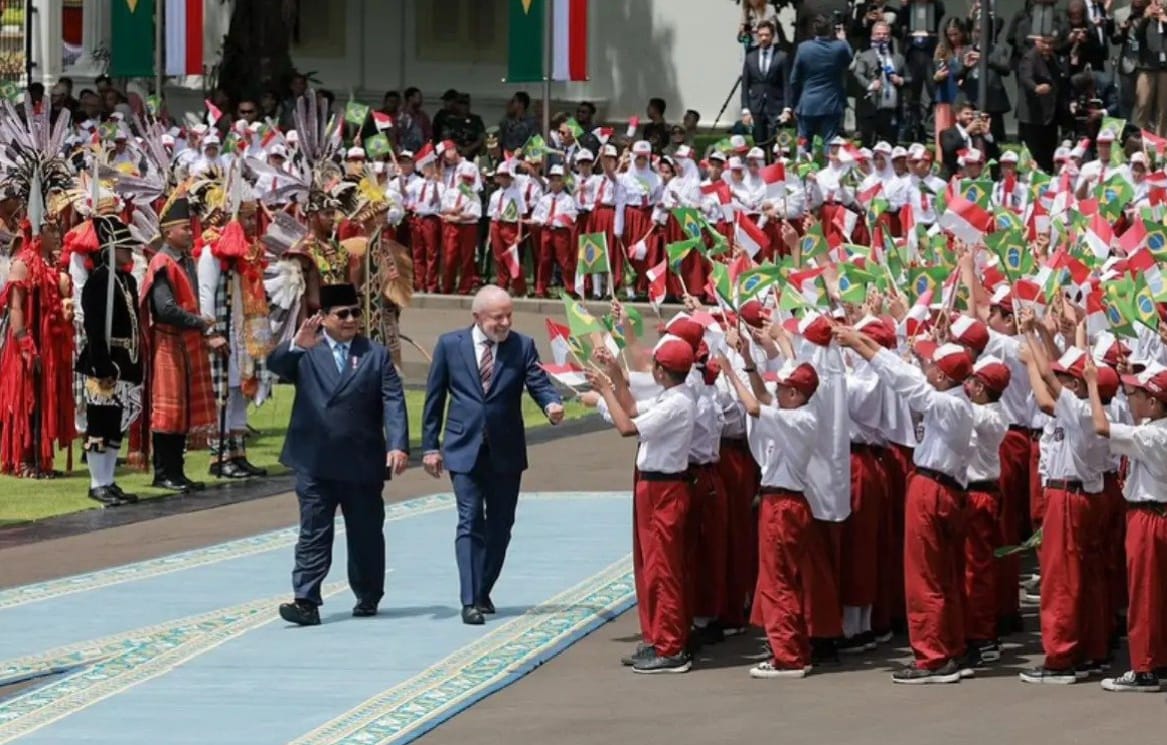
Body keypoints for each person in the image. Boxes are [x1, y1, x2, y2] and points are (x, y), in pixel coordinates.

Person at [836, 328, 974, 684]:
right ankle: (950, 648)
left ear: (942, 376)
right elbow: (905, 372)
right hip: (941, 487)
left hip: (932, 488)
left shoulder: (948, 404)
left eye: (932, 363)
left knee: (924, 577)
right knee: (943, 575)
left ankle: (931, 657)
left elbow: (904, 379)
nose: (926, 365)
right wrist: (862, 342)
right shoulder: (953, 400)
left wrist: (864, 348)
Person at [420, 286, 565, 625]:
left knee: (500, 526)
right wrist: (430, 447)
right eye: (498, 317)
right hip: (463, 447)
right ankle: (470, 599)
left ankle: (483, 587)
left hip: (506, 450)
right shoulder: (450, 345)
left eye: (509, 316)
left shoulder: (522, 345)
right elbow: (434, 398)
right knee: (469, 520)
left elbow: (538, 382)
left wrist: (551, 404)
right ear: (477, 317)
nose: (505, 323)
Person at [267, 283, 409, 626]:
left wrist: (397, 444)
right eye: (342, 314)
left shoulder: (374, 354)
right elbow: (276, 365)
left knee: (365, 533)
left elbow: (393, 398)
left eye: (355, 313)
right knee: (314, 531)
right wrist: (295, 346)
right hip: (315, 460)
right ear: (324, 317)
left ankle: (368, 594)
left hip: (362, 460)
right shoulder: (308, 350)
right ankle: (305, 601)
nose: (350, 320)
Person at [588, 336, 697, 674]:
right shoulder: (672, 396)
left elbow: (626, 426)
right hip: (656, 486)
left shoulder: (676, 403)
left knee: (664, 569)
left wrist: (605, 391)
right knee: (652, 566)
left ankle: (671, 647)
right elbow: (634, 408)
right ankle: (660, 637)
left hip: (665, 488)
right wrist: (615, 373)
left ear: (661, 371)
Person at [1085, 358, 1167, 693]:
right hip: (1157, 513)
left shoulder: (1151, 435)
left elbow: (1101, 426)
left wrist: (1092, 385)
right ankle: (1159, 659)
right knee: (1158, 593)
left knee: (1144, 594)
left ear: (1154, 403)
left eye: (1135, 395)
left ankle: (1144, 667)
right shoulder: (1154, 430)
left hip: (1148, 516)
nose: (1129, 399)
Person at [139, 195, 220, 492]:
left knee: (181, 409)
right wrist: (199, 322)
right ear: (168, 231)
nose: (190, 232)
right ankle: (164, 472)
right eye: (185, 228)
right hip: (169, 343)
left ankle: (176, 470)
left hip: (184, 343)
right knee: (169, 410)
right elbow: (165, 309)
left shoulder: (184, 260)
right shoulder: (162, 263)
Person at [76, 216, 144, 507]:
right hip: (103, 359)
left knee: (117, 424)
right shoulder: (98, 281)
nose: (130, 252)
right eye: (125, 248)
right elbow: (93, 327)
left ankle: (109, 479)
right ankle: (97, 482)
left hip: (126, 358)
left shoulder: (128, 280)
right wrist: (102, 365)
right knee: (99, 423)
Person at [789, 14, 854, 146]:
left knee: (803, 143)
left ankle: (804, 159)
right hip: (831, 102)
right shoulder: (839, 47)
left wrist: (795, 103)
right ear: (830, 30)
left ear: (814, 30)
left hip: (808, 102)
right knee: (829, 142)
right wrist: (843, 40)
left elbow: (794, 79)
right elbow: (849, 59)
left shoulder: (803, 48)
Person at [853, 21, 909, 147]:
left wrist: (900, 80)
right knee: (868, 146)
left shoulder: (898, 58)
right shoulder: (864, 56)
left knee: (889, 145)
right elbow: (858, 74)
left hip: (891, 109)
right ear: (872, 36)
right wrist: (870, 85)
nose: (881, 37)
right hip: (871, 108)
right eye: (878, 34)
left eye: (885, 34)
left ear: (889, 37)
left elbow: (910, 78)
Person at [742, 21, 792, 157]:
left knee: (777, 147)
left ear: (772, 36)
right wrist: (745, 109)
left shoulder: (781, 56)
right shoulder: (750, 57)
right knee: (759, 146)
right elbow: (745, 85)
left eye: (766, 35)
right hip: (756, 107)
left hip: (775, 107)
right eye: (760, 35)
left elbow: (787, 84)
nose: (763, 38)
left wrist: (787, 108)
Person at [1017, 34, 1062, 173]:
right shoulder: (1030, 57)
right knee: (1033, 151)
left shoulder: (1053, 57)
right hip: (1033, 113)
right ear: (1038, 42)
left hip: (1050, 112)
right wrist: (1036, 87)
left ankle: (1047, 174)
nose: (1047, 47)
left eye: (1051, 44)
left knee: (1048, 149)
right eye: (1044, 43)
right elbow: (1026, 77)